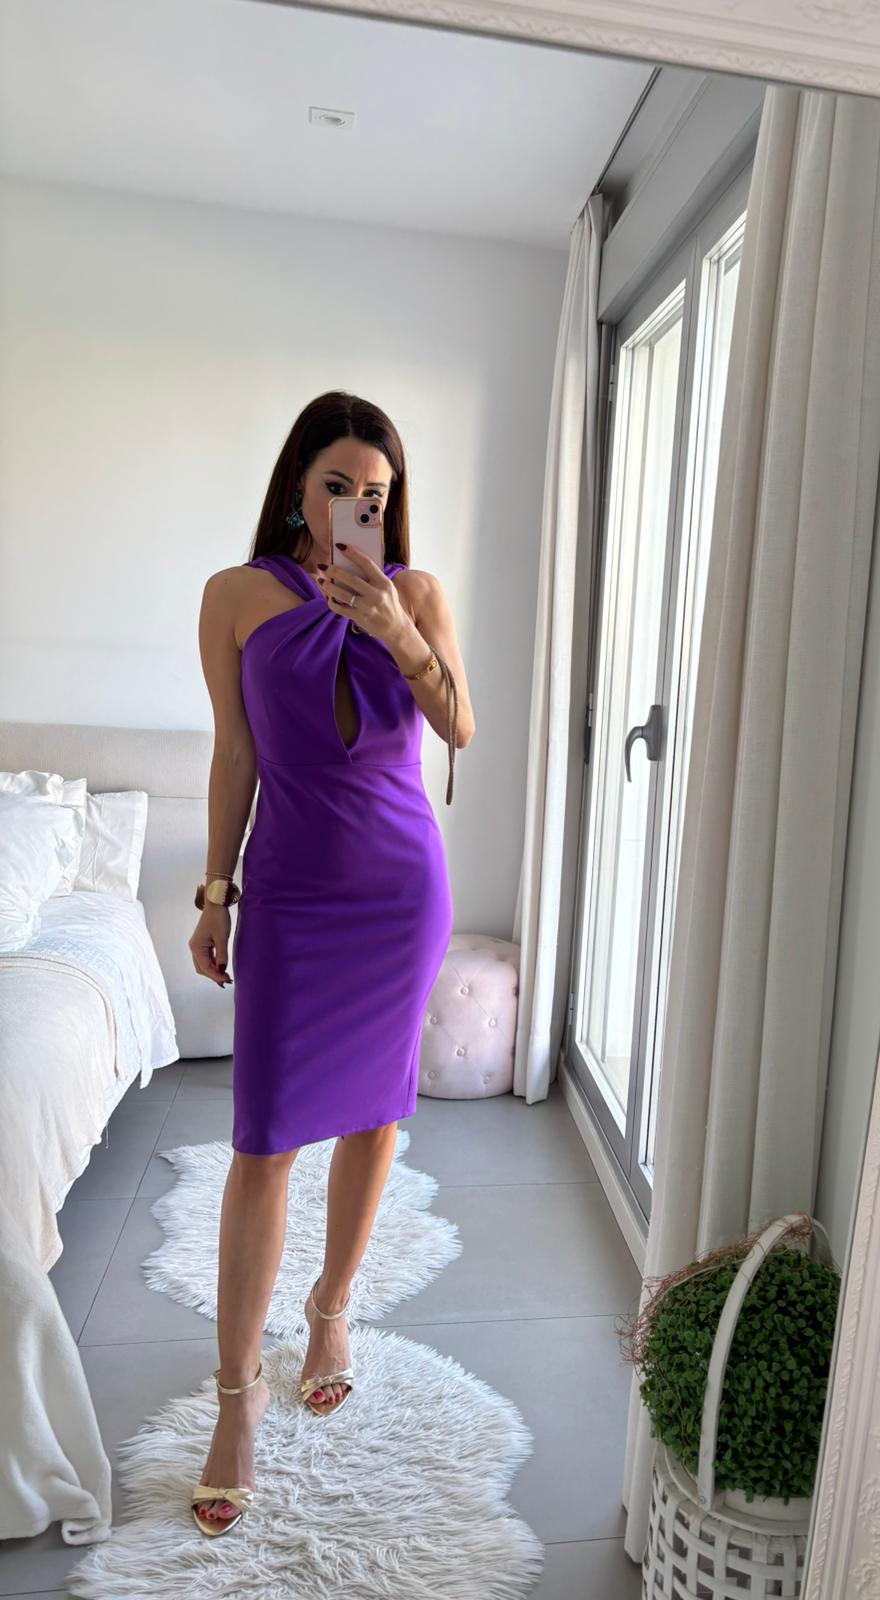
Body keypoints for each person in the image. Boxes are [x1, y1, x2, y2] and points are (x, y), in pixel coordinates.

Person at [185, 391, 472, 1535]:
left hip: (399, 891)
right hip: (295, 893)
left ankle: (333, 1308)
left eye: (378, 494)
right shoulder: (235, 596)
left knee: (373, 1115)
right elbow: (234, 753)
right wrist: (216, 892)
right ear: (298, 489)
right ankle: (235, 1399)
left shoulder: (419, 593)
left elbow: (458, 725)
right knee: (262, 1140)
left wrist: (398, 629)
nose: (360, 506)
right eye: (341, 487)